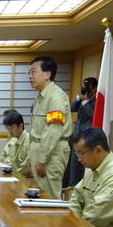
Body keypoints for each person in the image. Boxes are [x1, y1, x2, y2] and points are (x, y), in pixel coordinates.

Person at [69, 127, 113, 227]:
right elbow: (77, 197)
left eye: (81, 153)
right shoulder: (94, 167)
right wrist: (72, 218)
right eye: (77, 154)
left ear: (98, 150)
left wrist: (72, 226)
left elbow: (96, 216)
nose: (79, 159)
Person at [26, 56, 72, 199]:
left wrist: (42, 159)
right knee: (37, 194)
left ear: (47, 74)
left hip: (52, 152)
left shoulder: (56, 97)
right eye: (29, 72)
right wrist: (30, 156)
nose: (30, 76)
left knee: (49, 196)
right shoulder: (40, 97)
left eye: (33, 72)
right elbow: (35, 131)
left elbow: (53, 130)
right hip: (39, 150)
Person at [69, 77, 98, 186]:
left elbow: (94, 116)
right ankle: (71, 190)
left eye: (88, 87)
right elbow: (72, 108)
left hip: (88, 140)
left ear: (94, 88)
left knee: (87, 170)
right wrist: (78, 98)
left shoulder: (97, 100)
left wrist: (85, 102)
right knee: (74, 168)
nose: (86, 89)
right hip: (77, 137)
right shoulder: (82, 98)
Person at [1, 109, 31, 177]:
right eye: (8, 129)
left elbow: (26, 168)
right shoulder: (14, 139)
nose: (10, 131)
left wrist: (11, 175)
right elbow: (5, 158)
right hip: (14, 175)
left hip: (24, 178)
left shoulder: (28, 141)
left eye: (12, 128)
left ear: (20, 126)